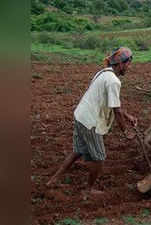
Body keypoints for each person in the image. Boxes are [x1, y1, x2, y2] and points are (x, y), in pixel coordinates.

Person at [46, 47, 137, 195]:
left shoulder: (103, 73)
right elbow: (116, 110)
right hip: (90, 122)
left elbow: (114, 104)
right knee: (99, 158)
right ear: (120, 64)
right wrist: (126, 131)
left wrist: (128, 117)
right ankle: (89, 189)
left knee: (78, 151)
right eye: (128, 64)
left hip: (80, 115)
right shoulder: (114, 81)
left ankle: (53, 180)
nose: (129, 67)